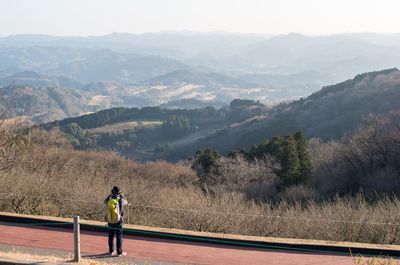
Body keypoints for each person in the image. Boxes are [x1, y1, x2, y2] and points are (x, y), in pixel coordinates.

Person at [104, 186, 128, 256]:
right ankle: (119, 252)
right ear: (119, 193)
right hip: (119, 221)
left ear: (112, 192)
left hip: (110, 221)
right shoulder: (120, 199)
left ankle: (111, 251)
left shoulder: (109, 199)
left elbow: (104, 201)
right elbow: (126, 202)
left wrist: (110, 195)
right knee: (119, 237)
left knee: (110, 236)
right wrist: (122, 196)